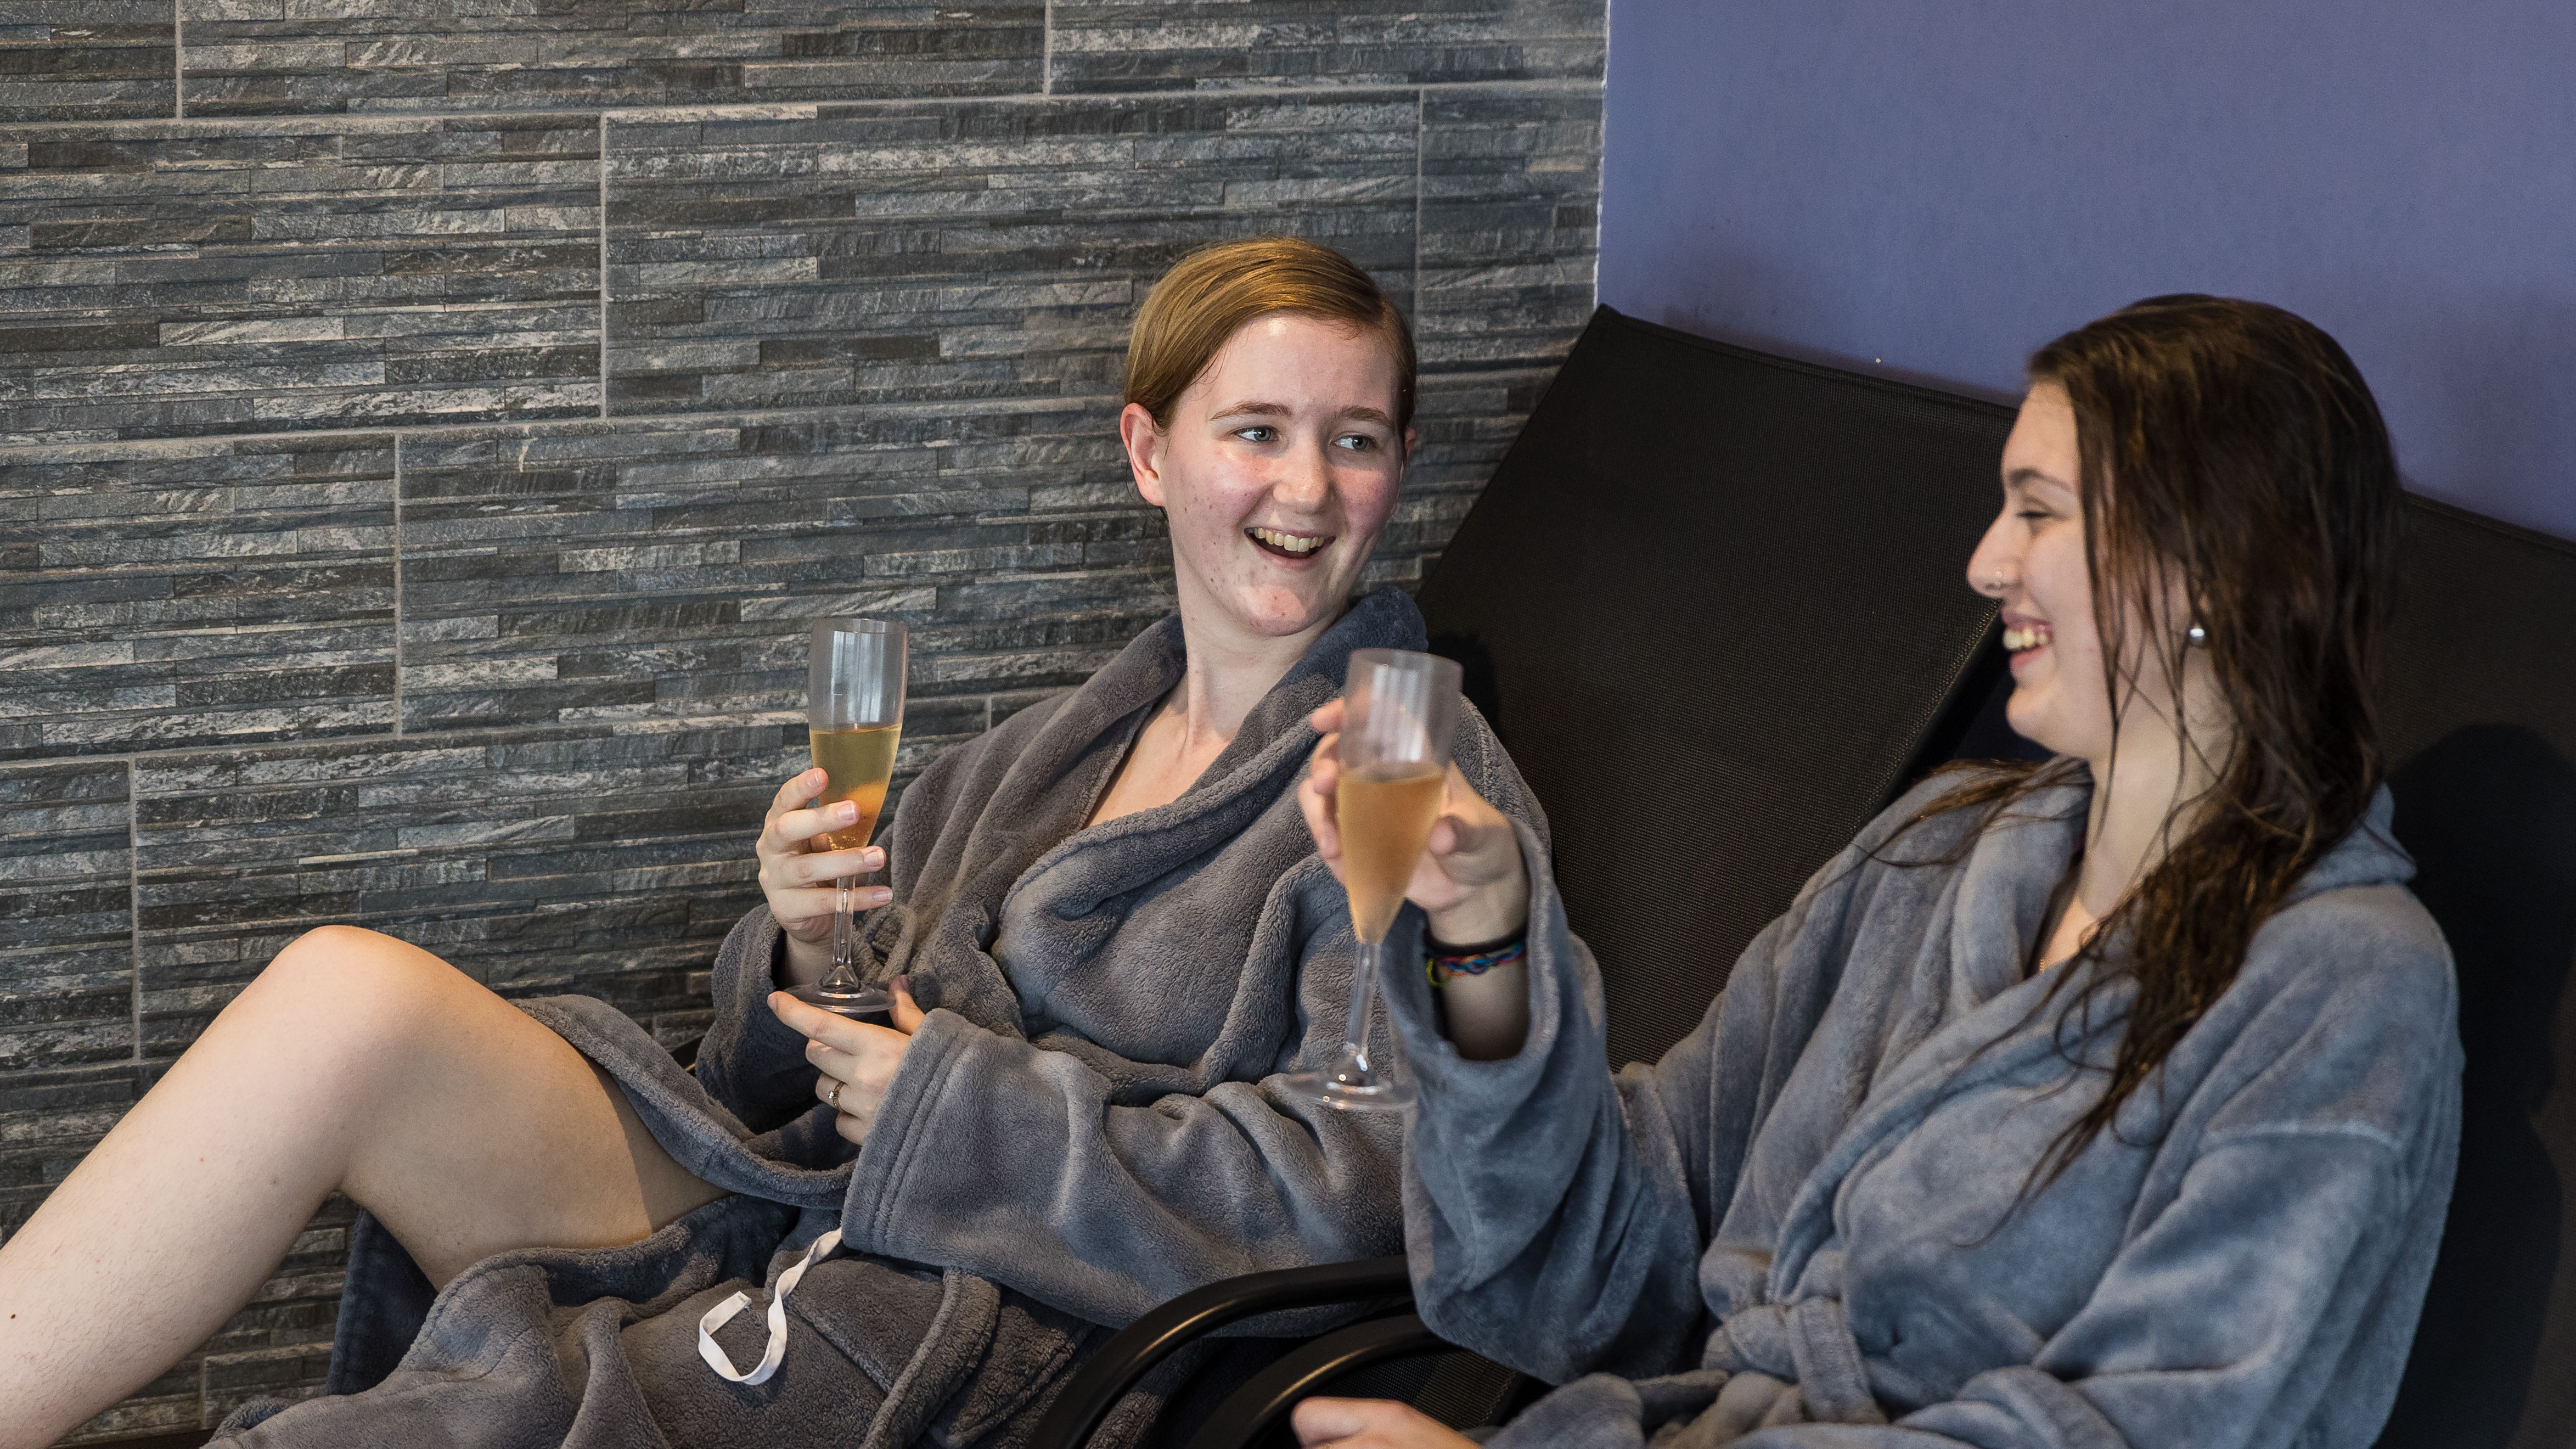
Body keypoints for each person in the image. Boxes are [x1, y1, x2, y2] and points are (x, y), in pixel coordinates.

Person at [0, 237, 1550, 1448]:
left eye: (1354, 440)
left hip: (993, 1288)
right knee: (345, 999)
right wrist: (813, 941)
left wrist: (959, 1110)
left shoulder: (1412, 780)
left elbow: (1372, 1171)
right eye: (1257, 430)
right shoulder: (1057, 741)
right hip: (797, 1189)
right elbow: (784, 1063)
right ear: (1149, 453)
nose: (1304, 487)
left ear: (1398, 467)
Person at [1289, 296, 2460, 1449]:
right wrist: (1480, 935)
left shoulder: (2343, 985)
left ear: (2214, 566)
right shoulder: (1932, 856)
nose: (1984, 563)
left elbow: (2161, 1424)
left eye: (2037, 512)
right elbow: (1605, 1257)